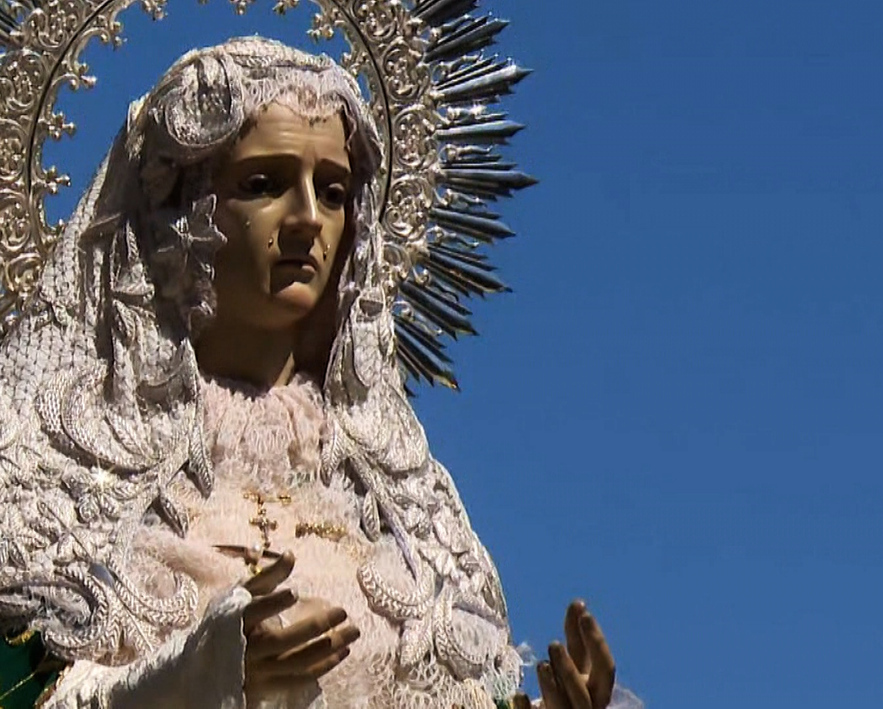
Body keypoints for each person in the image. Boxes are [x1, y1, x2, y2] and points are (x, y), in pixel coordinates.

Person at [0, 37, 622, 709]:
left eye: (331, 192)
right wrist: (196, 676)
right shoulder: (55, 476)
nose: (306, 220)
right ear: (174, 212)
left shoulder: (403, 502)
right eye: (262, 184)